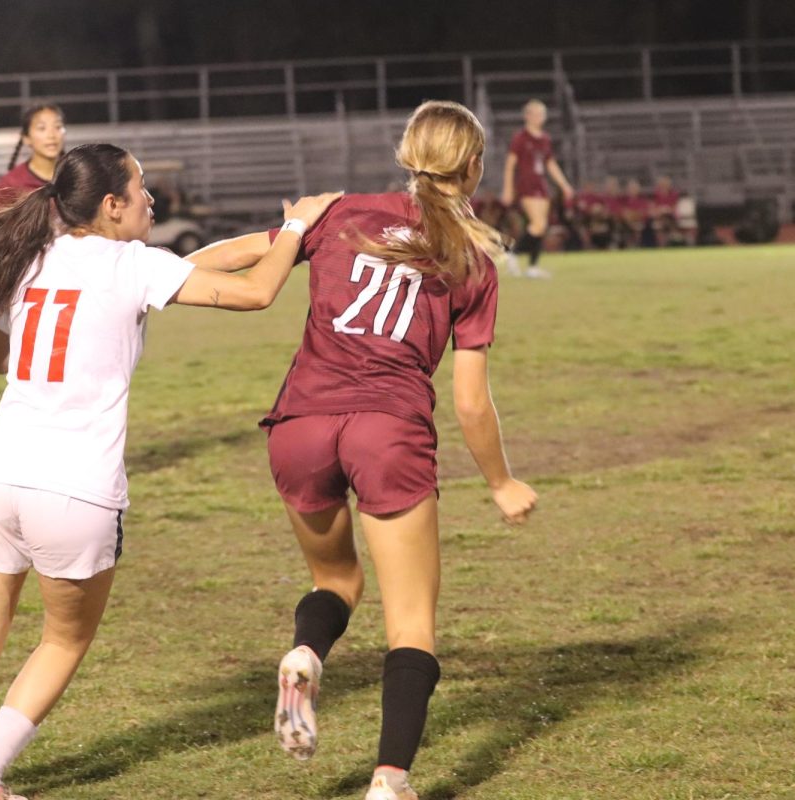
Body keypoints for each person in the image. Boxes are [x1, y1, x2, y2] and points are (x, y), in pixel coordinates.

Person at [0, 142, 341, 800]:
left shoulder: (35, 261)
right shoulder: (133, 266)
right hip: (75, 490)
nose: (151, 198)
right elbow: (259, 291)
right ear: (111, 204)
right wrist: (297, 227)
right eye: (141, 186)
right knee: (62, 642)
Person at [189, 100, 537, 800]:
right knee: (411, 623)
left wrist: (146, 279)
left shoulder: (339, 210)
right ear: (473, 165)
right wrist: (500, 482)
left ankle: (306, 653)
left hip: (299, 427)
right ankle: (389, 780)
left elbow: (235, 255)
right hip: (388, 431)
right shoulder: (472, 256)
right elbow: (470, 400)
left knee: (337, 582)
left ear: (407, 154)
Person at [500, 99, 574, 278]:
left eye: (541, 114)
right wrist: (508, 188)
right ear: (527, 116)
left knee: (541, 226)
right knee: (538, 224)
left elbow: (550, 164)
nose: (539, 117)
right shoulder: (521, 138)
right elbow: (510, 164)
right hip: (527, 184)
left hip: (541, 184)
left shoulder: (545, 139)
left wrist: (564, 184)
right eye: (535, 113)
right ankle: (512, 254)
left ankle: (532, 267)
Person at [0, 104, 66, 209]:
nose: (52, 135)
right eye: (42, 128)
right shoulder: (12, 183)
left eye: (58, 127)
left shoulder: (74, 176)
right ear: (26, 138)